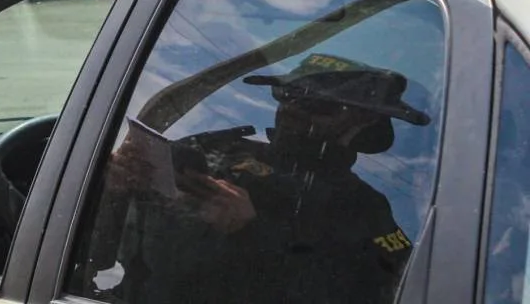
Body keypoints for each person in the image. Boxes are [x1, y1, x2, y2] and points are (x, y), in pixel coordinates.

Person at [83, 53, 431, 304]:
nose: (293, 108)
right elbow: (92, 259)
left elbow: (370, 293)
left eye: (319, 106)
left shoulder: (364, 209)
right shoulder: (207, 151)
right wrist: (113, 190)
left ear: (362, 122)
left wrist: (250, 234)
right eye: (288, 94)